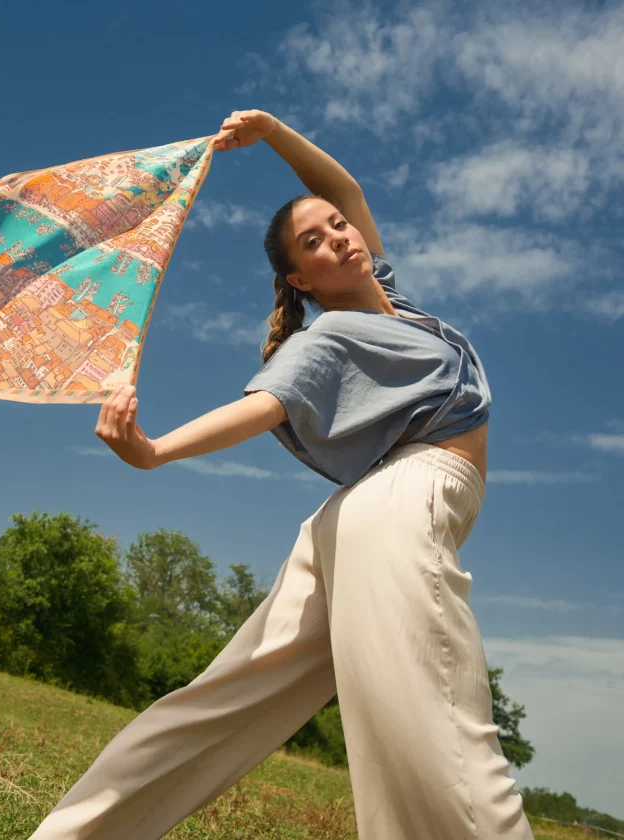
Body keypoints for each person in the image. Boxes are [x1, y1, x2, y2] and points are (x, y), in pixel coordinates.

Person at [29, 111, 534, 840]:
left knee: (223, 705)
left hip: (357, 518)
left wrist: (273, 133)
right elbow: (266, 404)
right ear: (301, 278)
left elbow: (342, 185)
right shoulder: (325, 335)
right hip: (397, 503)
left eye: (338, 226)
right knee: (434, 721)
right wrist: (156, 449)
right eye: (315, 242)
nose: (338, 235)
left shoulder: (399, 305)